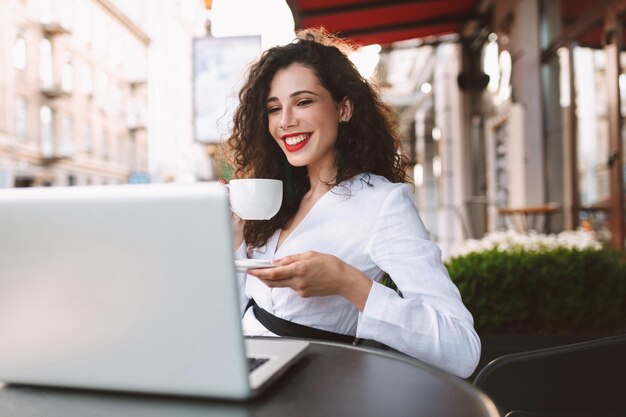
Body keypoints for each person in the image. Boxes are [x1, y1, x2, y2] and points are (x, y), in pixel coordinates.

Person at [224, 28, 480, 378]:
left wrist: (350, 284)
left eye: (303, 102)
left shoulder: (381, 203)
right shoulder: (277, 198)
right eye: (273, 108)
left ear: (343, 108)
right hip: (239, 366)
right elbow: (239, 312)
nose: (285, 121)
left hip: (310, 383)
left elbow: (461, 349)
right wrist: (234, 242)